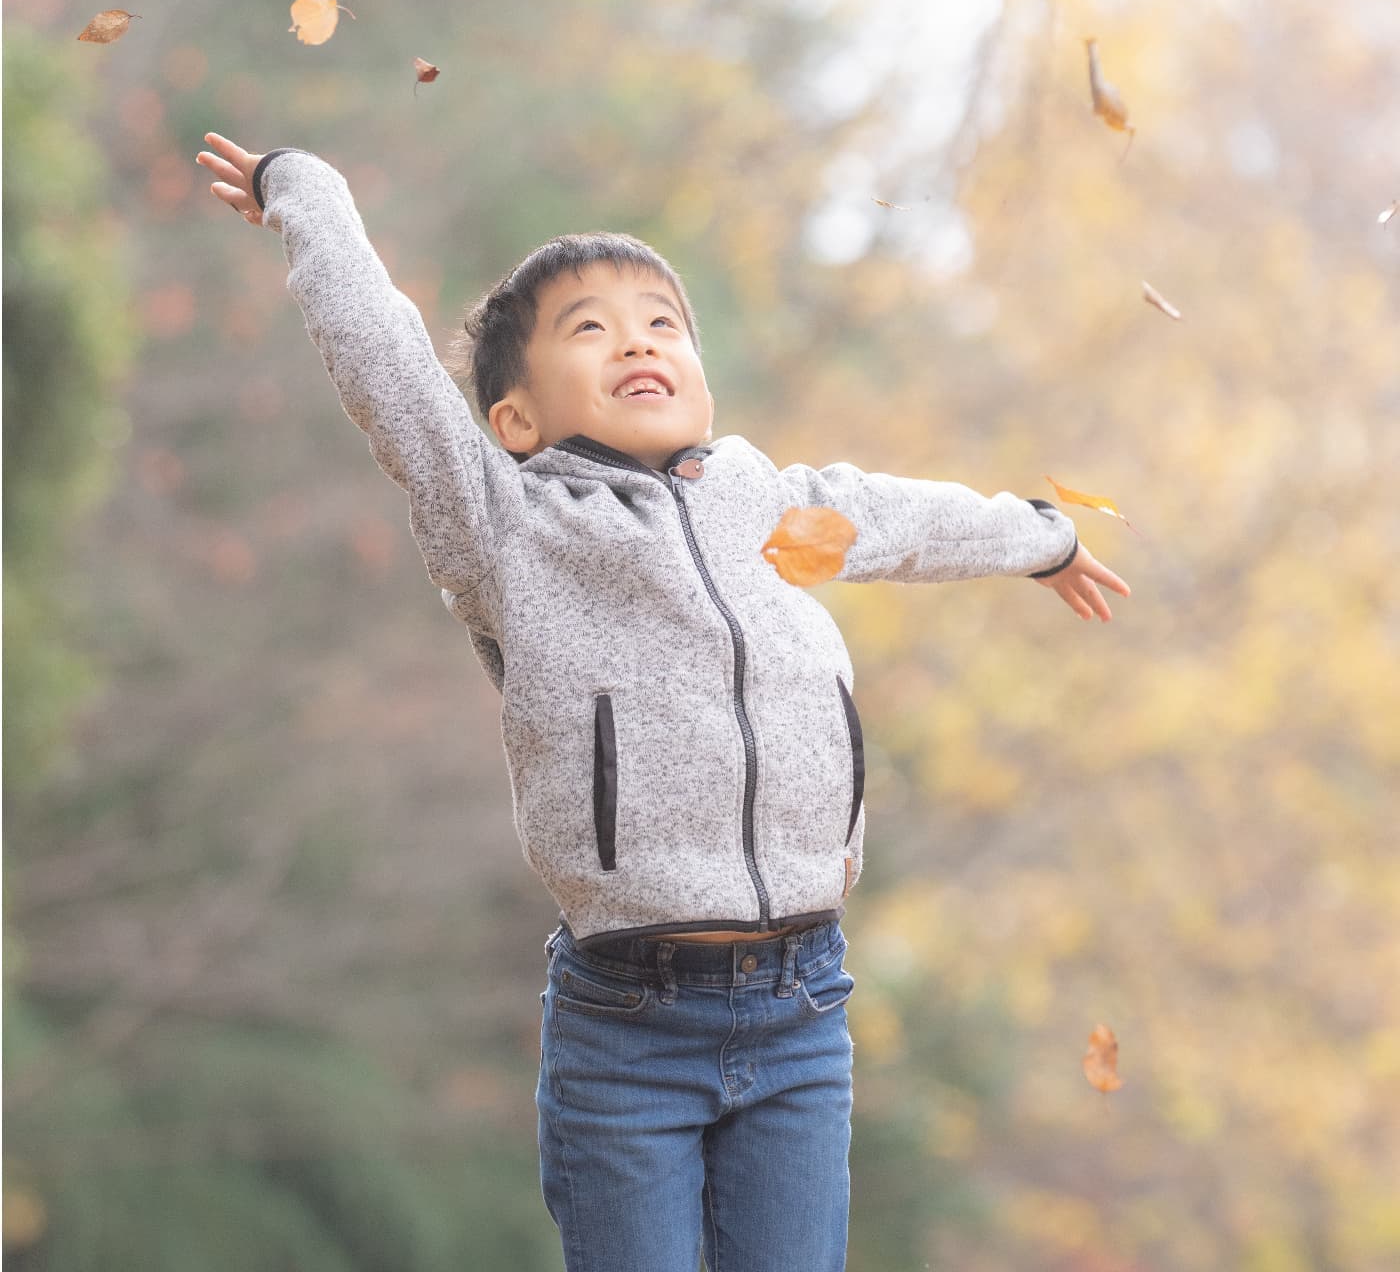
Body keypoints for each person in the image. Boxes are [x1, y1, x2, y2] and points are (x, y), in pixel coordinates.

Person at [195, 131, 1131, 1272]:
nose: (636, 337)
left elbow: (895, 514)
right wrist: (306, 190)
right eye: (588, 328)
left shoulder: (766, 504)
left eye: (659, 321)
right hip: (628, 1026)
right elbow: (386, 366)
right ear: (515, 418)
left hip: (803, 1006)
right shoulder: (509, 524)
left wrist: (1040, 534)